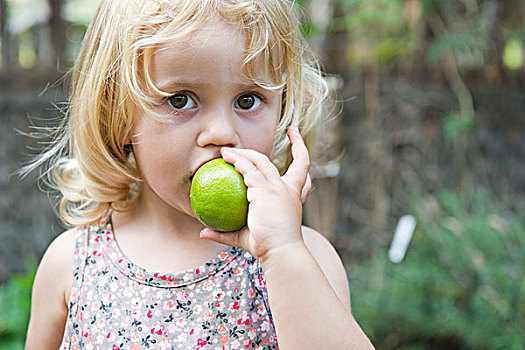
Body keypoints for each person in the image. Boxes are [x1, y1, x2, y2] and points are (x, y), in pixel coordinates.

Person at [24, 0, 375, 349]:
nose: (222, 132)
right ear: (118, 117)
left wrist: (282, 253)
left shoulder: (303, 260)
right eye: (180, 100)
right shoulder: (73, 264)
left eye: (248, 100)